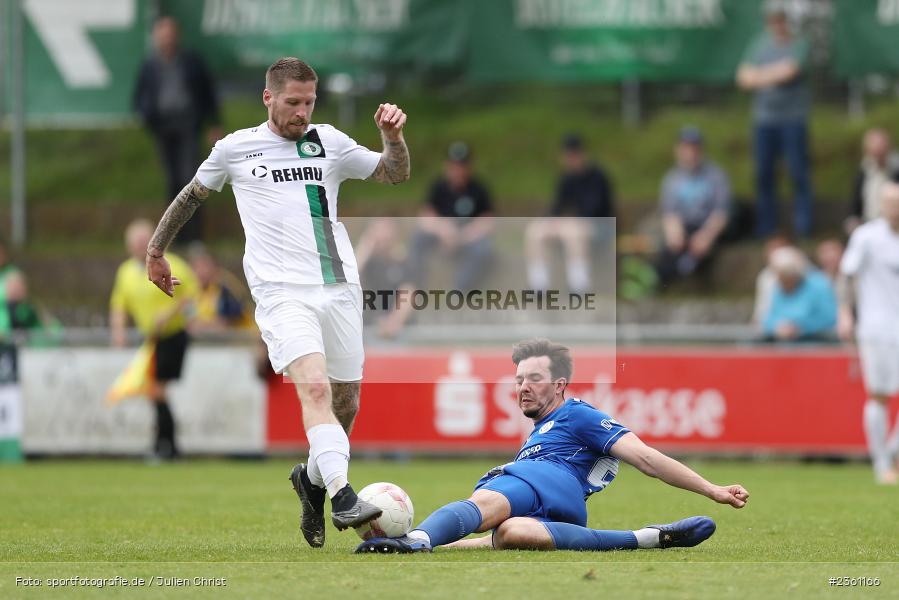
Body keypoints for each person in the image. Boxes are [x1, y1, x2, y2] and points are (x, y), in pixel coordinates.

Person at [144, 57, 411, 544]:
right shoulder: (234, 148)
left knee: (345, 403)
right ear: (268, 98)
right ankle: (342, 495)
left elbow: (394, 175)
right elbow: (190, 197)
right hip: (281, 293)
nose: (302, 113)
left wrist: (393, 139)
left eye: (309, 102)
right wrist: (156, 249)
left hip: (339, 287)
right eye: (293, 102)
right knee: (314, 389)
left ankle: (309, 481)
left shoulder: (329, 140)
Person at [356, 339, 749, 554]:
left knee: (493, 499)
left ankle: (419, 540)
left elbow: (646, 458)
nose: (522, 387)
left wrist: (711, 489)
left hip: (546, 482)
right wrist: (452, 542)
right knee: (512, 534)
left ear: (559, 385)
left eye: (534, 378)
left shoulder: (579, 415)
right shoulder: (540, 431)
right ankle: (647, 537)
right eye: (518, 379)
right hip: (564, 511)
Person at [111, 219, 198, 459]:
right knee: (153, 390)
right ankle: (166, 446)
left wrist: (169, 314)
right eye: (135, 243)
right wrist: (118, 330)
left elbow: (192, 296)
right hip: (151, 340)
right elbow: (119, 304)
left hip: (172, 335)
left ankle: (165, 446)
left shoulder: (174, 264)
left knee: (156, 390)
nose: (139, 247)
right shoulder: (126, 271)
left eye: (143, 242)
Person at [133, 16, 222, 244]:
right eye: (162, 34)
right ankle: (176, 238)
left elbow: (208, 93)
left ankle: (195, 238)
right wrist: (148, 118)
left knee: (191, 179)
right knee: (172, 181)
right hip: (163, 129)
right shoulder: (150, 65)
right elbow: (140, 98)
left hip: (189, 126)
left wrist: (213, 124)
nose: (166, 39)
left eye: (170, 33)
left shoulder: (191, 61)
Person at [837, 182, 899, 485]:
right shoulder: (866, 236)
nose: (895, 208)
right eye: (890, 202)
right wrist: (846, 312)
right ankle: (882, 464)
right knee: (880, 394)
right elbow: (847, 275)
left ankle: (893, 451)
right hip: (875, 326)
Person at [736, 3, 813, 238]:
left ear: (787, 22)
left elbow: (790, 71)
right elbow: (743, 79)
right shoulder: (758, 44)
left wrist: (759, 75)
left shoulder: (800, 44)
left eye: (781, 20)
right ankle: (766, 229)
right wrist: (774, 74)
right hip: (764, 121)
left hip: (793, 119)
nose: (777, 25)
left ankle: (803, 228)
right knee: (764, 175)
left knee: (798, 173)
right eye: (773, 20)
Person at [525, 134, 614, 294]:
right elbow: (556, 208)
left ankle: (579, 286)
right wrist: (550, 223)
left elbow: (593, 211)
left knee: (572, 231)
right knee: (536, 231)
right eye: (568, 156)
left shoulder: (597, 177)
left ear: (583, 154)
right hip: (571, 227)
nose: (571, 159)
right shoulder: (565, 179)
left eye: (574, 155)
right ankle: (539, 286)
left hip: (601, 228)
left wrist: (566, 222)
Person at [406, 142, 494, 291]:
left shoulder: (479, 189)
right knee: (417, 239)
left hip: (468, 237)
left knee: (483, 249)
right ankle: (415, 285)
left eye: (462, 165)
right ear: (447, 165)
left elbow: (488, 221)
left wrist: (463, 236)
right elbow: (426, 216)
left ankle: (460, 289)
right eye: (454, 165)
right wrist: (443, 230)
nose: (458, 170)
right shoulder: (438, 187)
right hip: (442, 235)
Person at [654, 127, 730, 286]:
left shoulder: (716, 176)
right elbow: (669, 213)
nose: (690, 152)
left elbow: (721, 212)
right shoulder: (671, 179)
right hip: (685, 227)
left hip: (707, 226)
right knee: (669, 247)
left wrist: (706, 235)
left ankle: (682, 270)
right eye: (686, 147)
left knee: (699, 250)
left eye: (694, 148)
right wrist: (674, 233)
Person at [762, 246, 836, 342]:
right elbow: (769, 318)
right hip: (783, 345)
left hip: (816, 344)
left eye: (788, 278)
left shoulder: (819, 284)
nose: (784, 283)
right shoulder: (778, 287)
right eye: (781, 278)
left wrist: (800, 327)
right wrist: (777, 327)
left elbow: (830, 317)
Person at [187, 244, 253, 333]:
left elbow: (229, 320)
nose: (200, 271)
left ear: (214, 269)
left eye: (204, 267)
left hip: (241, 340)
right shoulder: (192, 291)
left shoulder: (226, 289)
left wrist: (203, 325)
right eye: (197, 267)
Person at [845, 128, 899, 234]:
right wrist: (853, 219)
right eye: (875, 152)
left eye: (881, 151)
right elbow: (856, 203)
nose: (878, 155)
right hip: (867, 224)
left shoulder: (896, 170)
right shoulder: (863, 172)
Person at [751, 234, 791, 330]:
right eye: (770, 250)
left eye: (777, 249)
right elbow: (761, 308)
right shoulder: (764, 276)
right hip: (768, 327)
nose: (773, 254)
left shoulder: (803, 275)